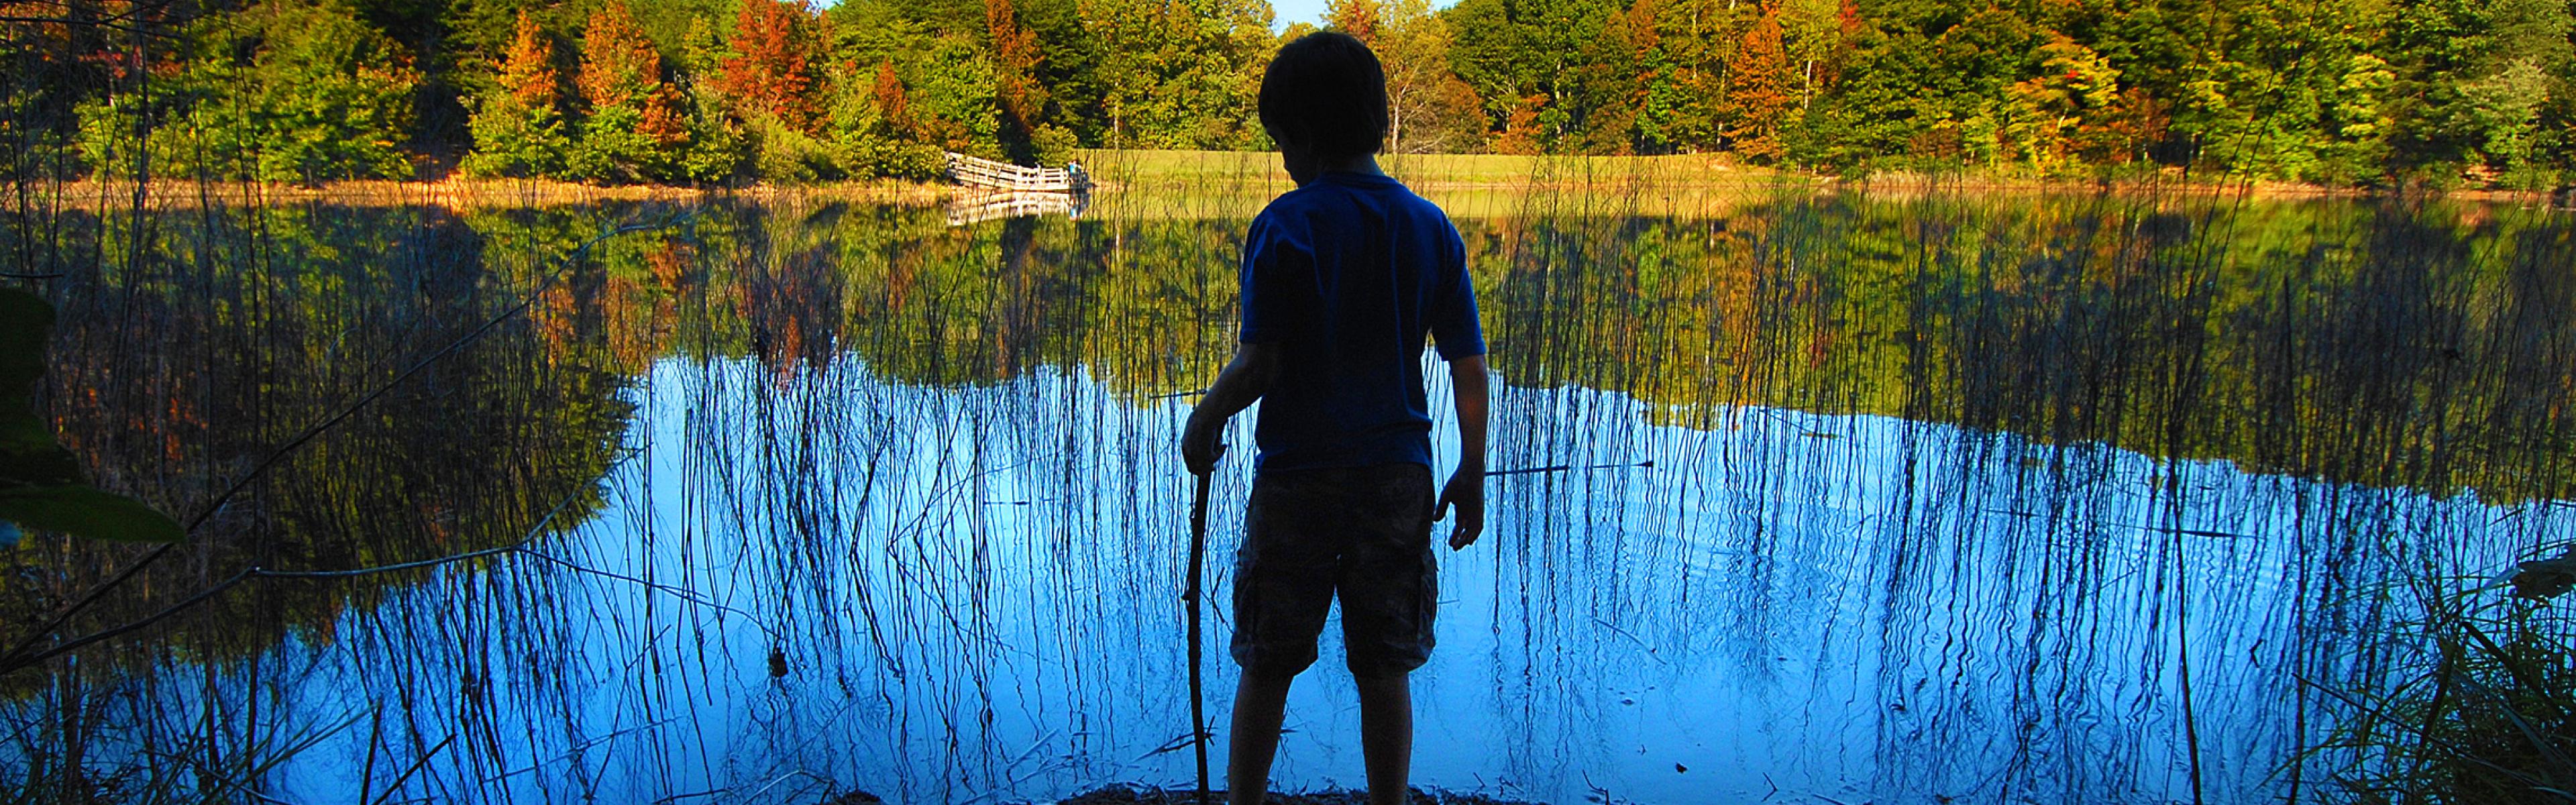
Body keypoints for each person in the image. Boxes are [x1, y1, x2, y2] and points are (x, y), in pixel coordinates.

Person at [1178, 30, 1489, 805]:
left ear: (1305, 136)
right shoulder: (1432, 228)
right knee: (1385, 664)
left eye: (1282, 143)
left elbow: (1259, 364)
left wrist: (1205, 416)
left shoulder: (1286, 224)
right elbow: (1469, 366)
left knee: (1269, 660)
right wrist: (1471, 469)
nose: (1284, 161)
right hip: (1398, 477)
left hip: (1297, 479)